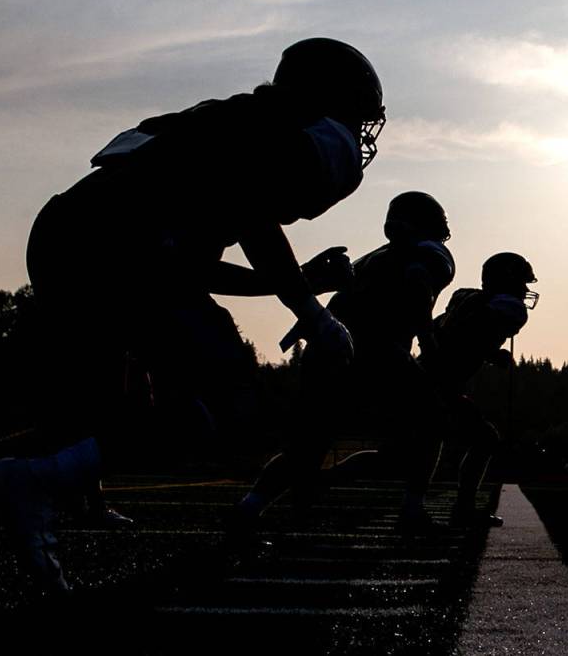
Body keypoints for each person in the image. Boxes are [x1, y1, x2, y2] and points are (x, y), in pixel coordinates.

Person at [0, 38, 386, 595]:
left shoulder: (217, 121)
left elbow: (188, 263)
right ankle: (30, 487)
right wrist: (308, 309)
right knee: (227, 406)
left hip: (75, 235)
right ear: (331, 100)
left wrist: (297, 282)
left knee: (78, 429)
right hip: (122, 248)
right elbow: (242, 219)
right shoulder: (279, 131)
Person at [231, 191, 455, 537]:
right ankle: (412, 510)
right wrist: (428, 343)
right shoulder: (430, 253)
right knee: (430, 422)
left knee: (309, 441)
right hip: (376, 347)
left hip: (329, 344)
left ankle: (251, 505)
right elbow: (417, 284)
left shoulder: (373, 258)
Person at [422, 252, 539, 527]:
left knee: (478, 438)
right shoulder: (505, 308)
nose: (525, 291)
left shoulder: (465, 297)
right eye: (522, 283)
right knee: (483, 439)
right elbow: (470, 333)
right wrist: (489, 350)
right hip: (440, 383)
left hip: (429, 376)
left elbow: (452, 331)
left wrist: (489, 352)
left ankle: (318, 479)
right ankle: (462, 509)